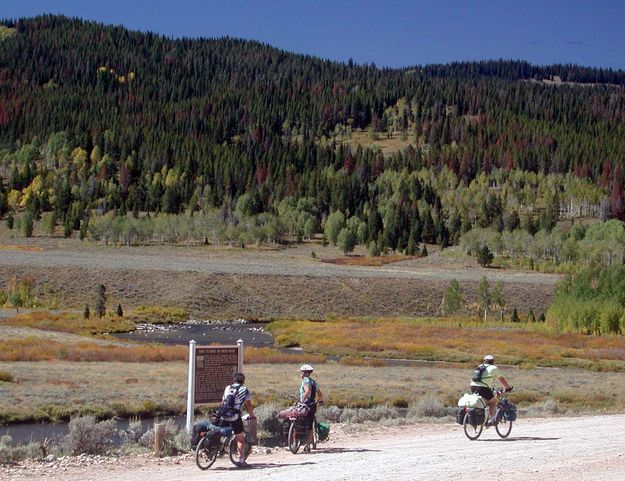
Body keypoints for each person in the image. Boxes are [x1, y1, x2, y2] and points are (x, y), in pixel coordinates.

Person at [221, 372, 255, 467]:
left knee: (221, 431)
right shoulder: (244, 390)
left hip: (224, 414)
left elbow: (223, 402)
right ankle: (241, 460)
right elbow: (248, 405)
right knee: (240, 438)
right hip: (235, 416)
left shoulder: (227, 388)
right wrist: (251, 415)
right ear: (243, 381)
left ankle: (218, 448)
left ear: (234, 380)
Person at [470, 354, 512, 424]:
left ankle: (481, 417)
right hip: (483, 388)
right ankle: (491, 419)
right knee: (493, 402)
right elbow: (501, 379)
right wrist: (508, 387)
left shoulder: (480, 366)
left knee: (482, 401)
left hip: (473, 386)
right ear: (493, 361)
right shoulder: (494, 368)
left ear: (484, 361)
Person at [299, 364, 324, 452]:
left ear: (304, 373)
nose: (300, 373)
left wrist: (302, 401)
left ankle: (295, 440)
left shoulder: (305, 381)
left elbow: (307, 391)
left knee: (300, 421)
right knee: (310, 426)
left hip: (305, 405)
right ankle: (307, 445)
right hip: (312, 405)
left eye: (301, 371)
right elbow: (320, 395)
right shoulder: (314, 382)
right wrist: (320, 401)